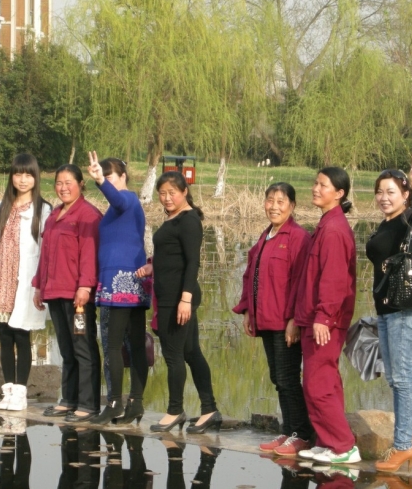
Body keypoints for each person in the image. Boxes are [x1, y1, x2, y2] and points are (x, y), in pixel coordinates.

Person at [137, 171, 220, 434]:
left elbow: (192, 262)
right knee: (191, 353)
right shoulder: (174, 218)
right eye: (162, 193)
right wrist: (153, 267)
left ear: (184, 192)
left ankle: (175, 410)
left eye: (172, 192)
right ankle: (209, 409)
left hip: (178, 298)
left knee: (174, 356)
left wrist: (185, 298)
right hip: (170, 294)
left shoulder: (189, 220)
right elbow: (173, 256)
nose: (167, 198)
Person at [232, 183, 313, 455]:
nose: (274, 206)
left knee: (288, 378)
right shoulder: (266, 235)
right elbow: (250, 275)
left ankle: (301, 434)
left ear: (292, 205)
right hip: (265, 319)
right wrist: (247, 310)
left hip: (284, 321)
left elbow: (301, 282)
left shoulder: (298, 237)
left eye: (280, 201)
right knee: (278, 378)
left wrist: (294, 320)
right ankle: (288, 431)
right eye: (270, 200)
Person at [366, 154, 412, 473]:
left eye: (390, 191)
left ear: (404, 195)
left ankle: (404, 446)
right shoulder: (386, 222)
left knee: (403, 378)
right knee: (395, 378)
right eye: (379, 191)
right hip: (387, 309)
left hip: (404, 310)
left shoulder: (407, 221)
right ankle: (402, 445)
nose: (384, 197)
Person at [295, 167, 360, 465]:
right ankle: (329, 443)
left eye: (323, 185)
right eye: (315, 183)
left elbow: (334, 279)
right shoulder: (328, 224)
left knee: (318, 384)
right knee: (327, 382)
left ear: (339, 193)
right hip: (317, 318)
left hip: (325, 321)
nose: (315, 188)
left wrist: (323, 316)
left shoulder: (334, 229)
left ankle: (344, 446)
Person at [32, 164, 102, 422]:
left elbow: (90, 254)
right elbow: (45, 254)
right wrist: (39, 285)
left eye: (68, 182)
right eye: (59, 183)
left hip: (77, 296)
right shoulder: (54, 215)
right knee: (66, 348)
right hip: (55, 292)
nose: (63, 188)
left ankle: (88, 404)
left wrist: (85, 286)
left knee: (83, 346)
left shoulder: (88, 215)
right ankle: (69, 399)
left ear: (81, 184)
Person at [0, 154, 51, 411]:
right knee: (4, 337)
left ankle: (21, 391)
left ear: (35, 177)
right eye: (18, 174)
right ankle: (8, 388)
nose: (22, 180)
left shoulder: (43, 209)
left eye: (28, 175)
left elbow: (45, 250)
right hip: (1, 278)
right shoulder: (3, 205)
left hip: (25, 280)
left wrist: (41, 284)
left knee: (22, 336)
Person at [86, 152, 151, 425]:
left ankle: (116, 403)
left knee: (114, 344)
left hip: (123, 279)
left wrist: (100, 181)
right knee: (133, 344)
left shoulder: (128, 199)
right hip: (121, 277)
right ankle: (134, 403)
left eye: (110, 176)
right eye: (104, 177)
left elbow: (118, 198)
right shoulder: (114, 209)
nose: (107, 180)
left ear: (123, 177)